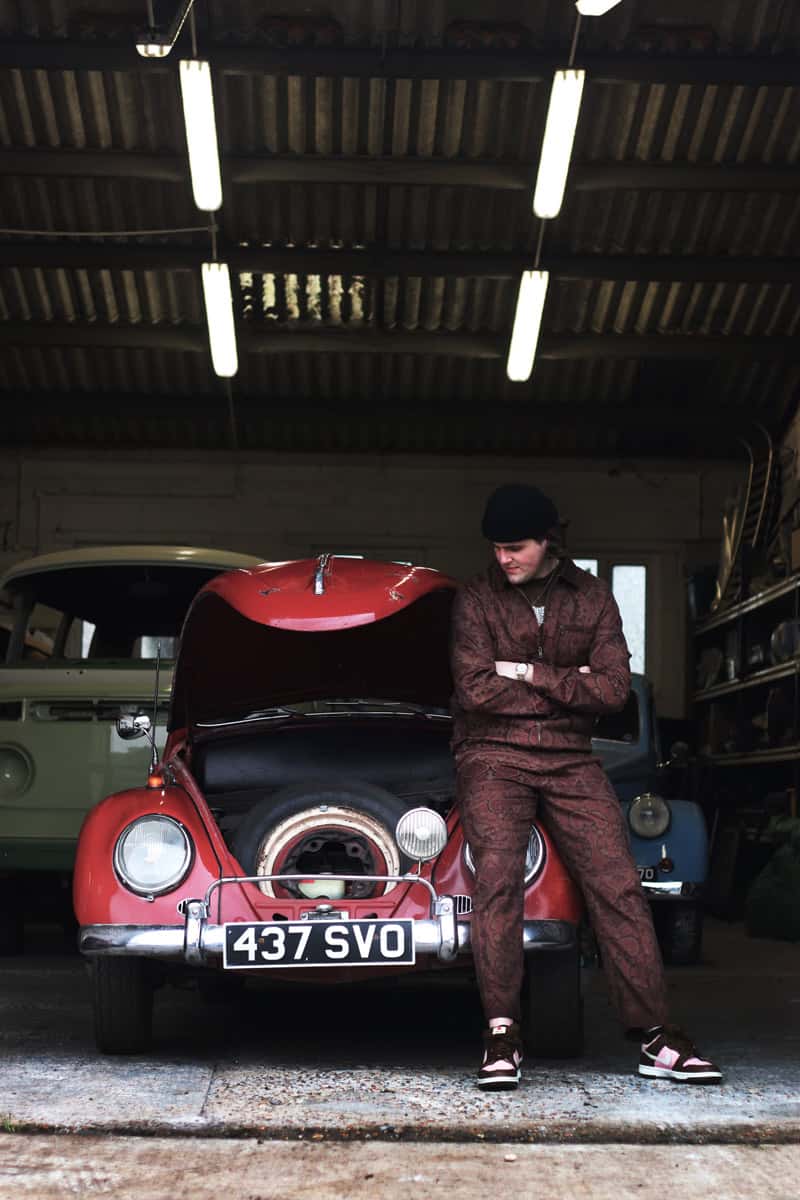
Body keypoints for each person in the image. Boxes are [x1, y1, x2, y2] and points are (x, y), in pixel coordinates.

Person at [450, 482, 721, 1090]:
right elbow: (474, 690)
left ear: (550, 541)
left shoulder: (594, 598)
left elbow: (613, 691)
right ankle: (501, 1034)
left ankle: (656, 1037)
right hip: (492, 755)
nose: (503, 560)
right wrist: (566, 684)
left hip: (573, 758)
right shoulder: (474, 599)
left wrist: (524, 671)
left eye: (515, 548)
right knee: (496, 877)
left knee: (619, 883)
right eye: (495, 549)